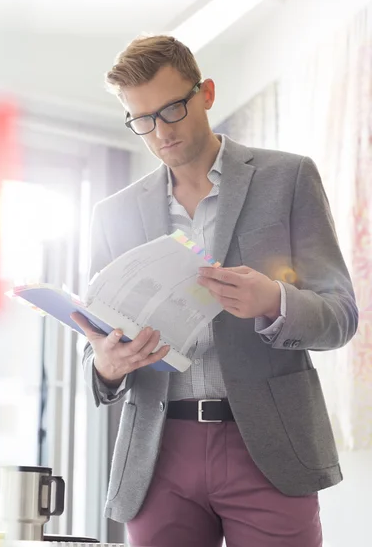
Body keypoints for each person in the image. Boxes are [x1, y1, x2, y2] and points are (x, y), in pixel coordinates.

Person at [72, 35, 358, 547]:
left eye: (173, 109)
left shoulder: (288, 178)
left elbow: (341, 316)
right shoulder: (111, 214)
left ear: (205, 92)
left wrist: (275, 301)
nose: (161, 131)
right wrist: (105, 365)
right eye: (142, 120)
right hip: (157, 453)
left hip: (269, 444)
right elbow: (96, 334)